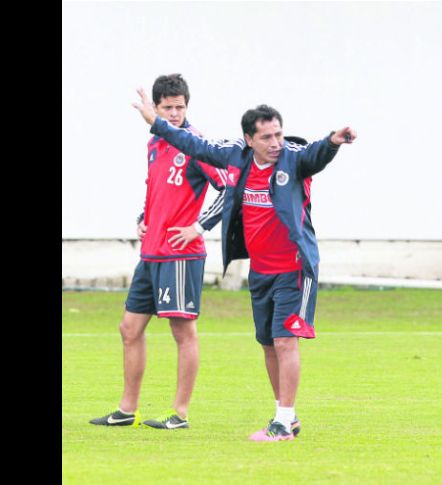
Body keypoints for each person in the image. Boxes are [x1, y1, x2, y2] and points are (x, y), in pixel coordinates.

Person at [133, 92, 356, 442]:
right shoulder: (237, 156)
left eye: (278, 134)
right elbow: (195, 146)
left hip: (294, 269)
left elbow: (316, 153)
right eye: (266, 137)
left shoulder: (294, 159)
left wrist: (333, 141)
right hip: (261, 271)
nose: (275, 143)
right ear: (250, 139)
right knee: (268, 343)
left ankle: (282, 424)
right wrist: (157, 124)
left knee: (285, 341)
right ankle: (287, 414)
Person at [90, 74, 226, 430]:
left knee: (183, 331)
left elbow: (229, 188)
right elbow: (159, 191)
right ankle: (126, 410)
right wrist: (143, 218)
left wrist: (199, 227)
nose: (175, 113)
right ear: (156, 108)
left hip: (180, 254)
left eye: (180, 107)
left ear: (187, 106)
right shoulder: (155, 144)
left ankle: (179, 414)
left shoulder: (195, 144)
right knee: (129, 328)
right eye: (168, 108)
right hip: (151, 253)